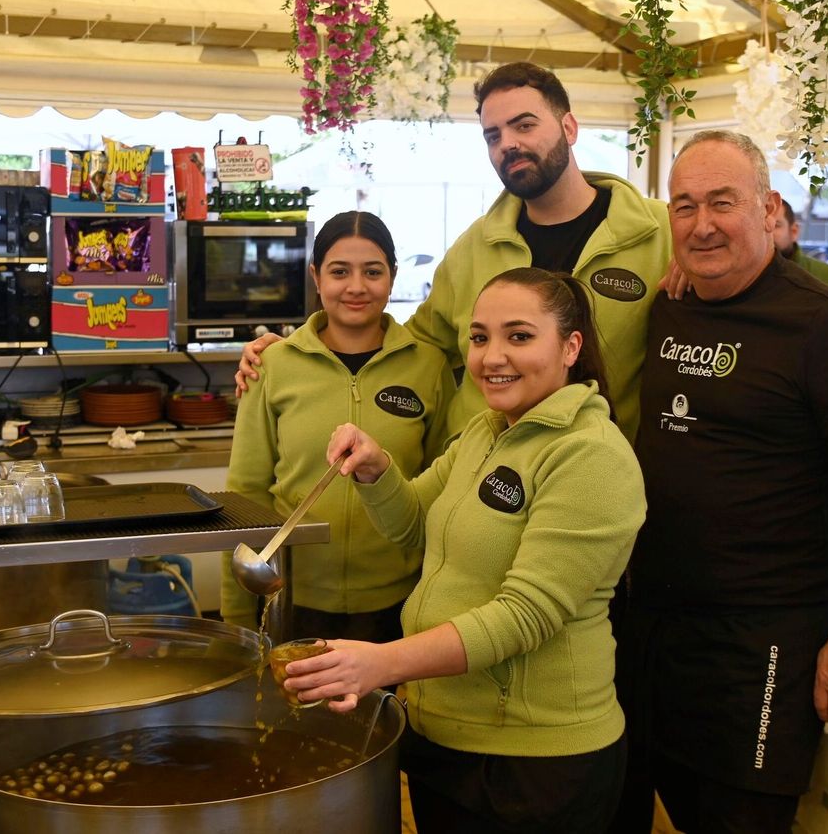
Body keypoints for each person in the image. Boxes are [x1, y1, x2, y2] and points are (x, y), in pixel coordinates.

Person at [611, 131, 828, 834]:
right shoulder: (674, 302)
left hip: (765, 641)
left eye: (723, 202)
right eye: (684, 207)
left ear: (769, 209)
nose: (702, 223)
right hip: (656, 629)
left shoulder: (827, 328)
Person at [284, 267, 645, 834]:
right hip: (445, 733)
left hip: (536, 760)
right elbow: (416, 528)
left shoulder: (591, 457)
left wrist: (382, 662)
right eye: (480, 338)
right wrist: (377, 468)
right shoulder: (486, 430)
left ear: (571, 346)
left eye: (519, 336)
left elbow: (525, 617)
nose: (492, 356)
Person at [238, 61, 671, 445]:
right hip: (480, 482)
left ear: (569, 128)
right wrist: (299, 351)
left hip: (598, 482)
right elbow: (414, 346)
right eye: (493, 135)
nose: (509, 145)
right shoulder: (474, 248)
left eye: (524, 125)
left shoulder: (660, 234)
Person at [221, 211, 453, 641]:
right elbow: (243, 496)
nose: (357, 287)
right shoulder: (270, 365)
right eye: (339, 271)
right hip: (291, 598)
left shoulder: (430, 366)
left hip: (401, 601)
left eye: (373, 271)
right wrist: (236, 616)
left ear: (393, 276)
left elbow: (442, 489)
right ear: (316, 276)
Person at [772, 196, 828, 295]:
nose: (766, 231)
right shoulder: (747, 279)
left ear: (794, 231)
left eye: (776, 225)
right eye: (761, 225)